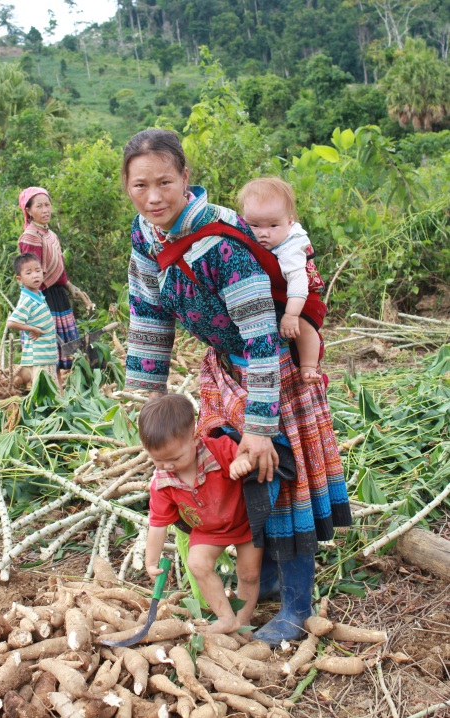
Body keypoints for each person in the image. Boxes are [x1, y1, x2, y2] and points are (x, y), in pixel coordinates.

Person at [122, 128, 352, 646]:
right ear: (128, 187)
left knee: (281, 478)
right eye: (140, 185)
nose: (153, 196)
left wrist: (260, 427)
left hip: (274, 369)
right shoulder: (145, 235)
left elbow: (262, 334)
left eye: (165, 182)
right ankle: (265, 579)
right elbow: (148, 313)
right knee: (236, 480)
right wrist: (151, 402)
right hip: (223, 370)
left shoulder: (221, 240)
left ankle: (296, 606)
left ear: (186, 178)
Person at [140, 393, 263, 634]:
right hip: (208, 530)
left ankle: (244, 621)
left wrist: (244, 462)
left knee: (249, 573)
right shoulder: (163, 483)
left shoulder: (219, 450)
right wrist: (151, 560)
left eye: (175, 458)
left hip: (243, 522)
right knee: (197, 563)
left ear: (194, 437)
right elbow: (157, 524)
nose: (168, 466)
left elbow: (253, 455)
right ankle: (225, 616)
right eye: (158, 460)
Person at [239, 177, 325, 385]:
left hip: (302, 298)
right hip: (276, 294)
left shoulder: (291, 246)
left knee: (304, 326)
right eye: (255, 225)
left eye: (273, 225)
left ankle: (308, 366)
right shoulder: (245, 236)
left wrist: (291, 315)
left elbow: (298, 282)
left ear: (289, 222)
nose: (263, 233)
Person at [18, 187, 93, 376]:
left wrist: (69, 286)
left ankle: (57, 392)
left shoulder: (49, 234)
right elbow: (31, 274)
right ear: (28, 211)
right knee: (46, 354)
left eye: (47, 205)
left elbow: (57, 267)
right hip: (42, 297)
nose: (45, 210)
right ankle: (50, 394)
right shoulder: (30, 236)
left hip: (56, 294)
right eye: (39, 206)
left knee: (59, 356)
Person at [6, 253, 59, 386]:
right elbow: (11, 323)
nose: (35, 275)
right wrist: (32, 329)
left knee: (52, 391)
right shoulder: (27, 300)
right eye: (28, 273)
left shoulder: (38, 295)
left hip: (46, 355)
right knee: (43, 391)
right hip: (38, 357)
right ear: (20, 279)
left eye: (37, 270)